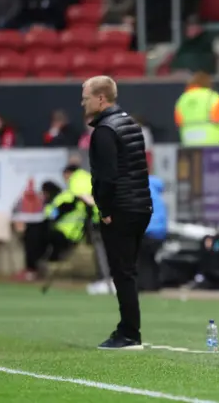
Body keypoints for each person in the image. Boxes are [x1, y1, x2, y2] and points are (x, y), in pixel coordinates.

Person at [83, 75, 153, 350]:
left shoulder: (105, 130)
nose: (82, 102)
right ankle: (128, 329)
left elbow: (106, 176)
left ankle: (128, 333)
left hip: (121, 208)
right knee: (128, 271)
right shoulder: (131, 124)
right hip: (141, 206)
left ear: (101, 98)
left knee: (122, 272)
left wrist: (106, 209)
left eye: (86, 97)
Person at [22, 181, 89, 281]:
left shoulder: (64, 198)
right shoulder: (56, 200)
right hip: (65, 233)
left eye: (44, 193)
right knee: (34, 233)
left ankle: (32, 269)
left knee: (34, 232)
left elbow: (55, 215)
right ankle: (34, 267)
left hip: (68, 235)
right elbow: (51, 215)